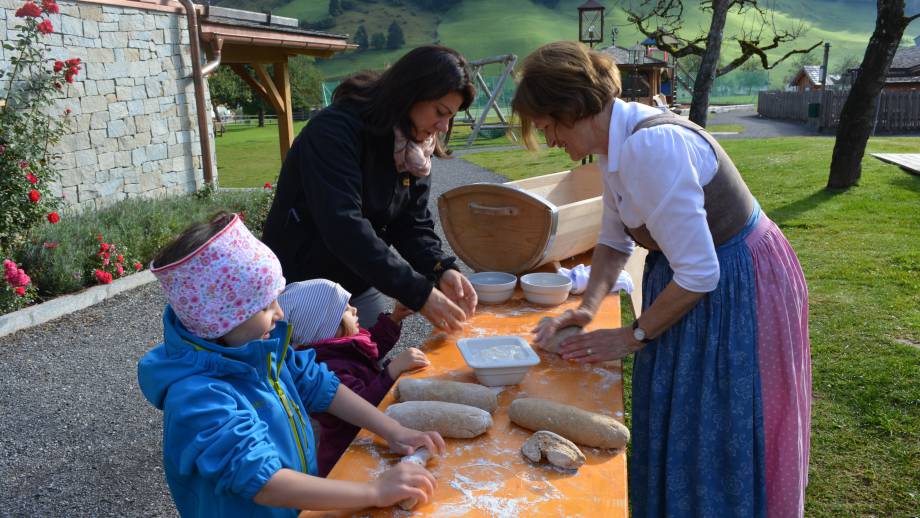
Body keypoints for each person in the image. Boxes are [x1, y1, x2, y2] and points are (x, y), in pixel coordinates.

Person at [517, 42, 811, 518]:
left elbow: (700, 273)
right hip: (691, 280)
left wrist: (632, 335)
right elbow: (614, 242)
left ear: (570, 108)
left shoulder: (650, 146)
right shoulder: (615, 146)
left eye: (547, 125)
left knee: (719, 418)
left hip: (736, 283)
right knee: (684, 414)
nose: (549, 139)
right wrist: (588, 308)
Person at [137, 212, 445, 518]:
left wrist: (393, 430)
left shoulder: (261, 350)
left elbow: (319, 385)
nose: (280, 313)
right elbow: (263, 482)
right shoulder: (197, 397)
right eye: (266, 306)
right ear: (221, 320)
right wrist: (374, 492)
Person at [262, 45, 478, 333]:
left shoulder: (414, 150)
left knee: (368, 366)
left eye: (450, 117)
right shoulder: (334, 131)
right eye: (440, 112)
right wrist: (418, 292)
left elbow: (411, 223)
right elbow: (343, 224)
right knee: (316, 375)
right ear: (410, 92)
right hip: (303, 288)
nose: (442, 126)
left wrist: (440, 268)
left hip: (356, 282)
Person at [278, 279, 430, 477]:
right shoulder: (326, 366)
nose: (355, 310)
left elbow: (371, 347)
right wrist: (392, 370)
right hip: (348, 452)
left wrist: (394, 319)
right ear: (326, 325)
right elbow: (362, 404)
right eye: (346, 309)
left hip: (371, 435)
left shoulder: (339, 344)